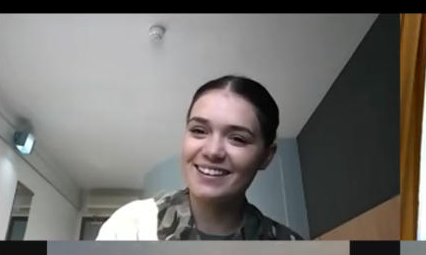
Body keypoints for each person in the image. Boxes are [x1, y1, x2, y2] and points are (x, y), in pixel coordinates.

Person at [97, 75, 303, 240]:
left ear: (266, 156)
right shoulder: (133, 226)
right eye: (199, 130)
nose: (213, 151)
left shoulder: (290, 249)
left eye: (238, 139)